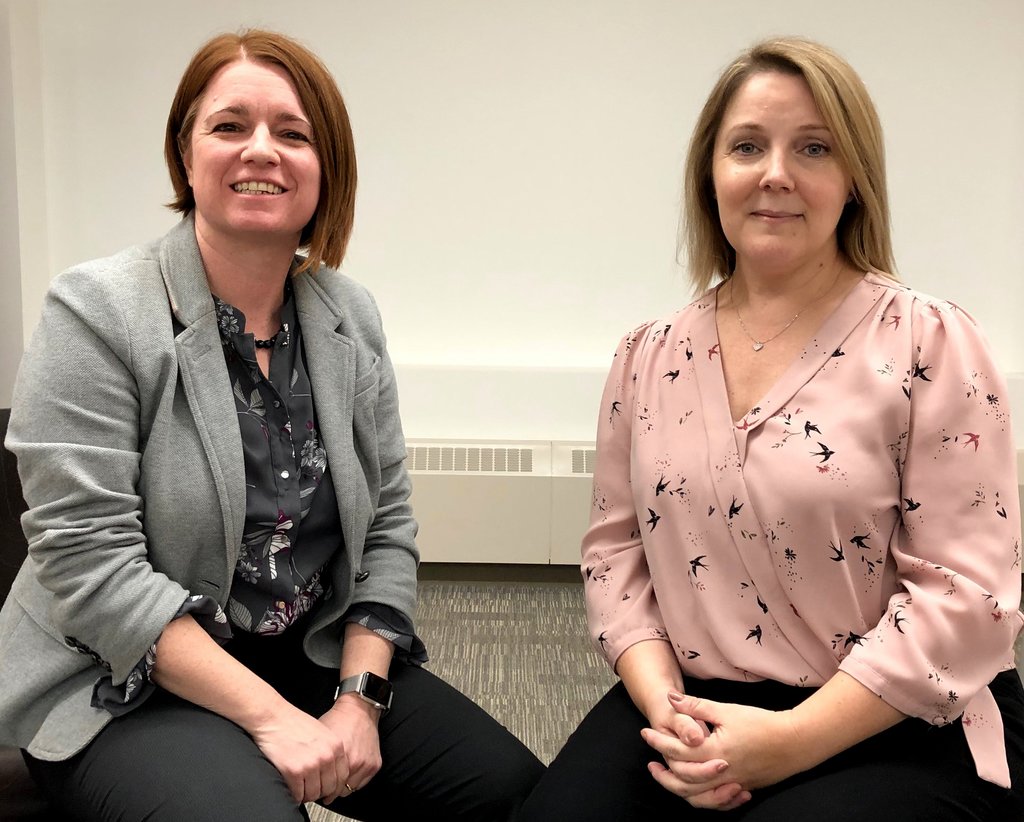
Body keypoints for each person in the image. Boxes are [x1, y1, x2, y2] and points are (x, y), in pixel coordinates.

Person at [0, 29, 543, 821]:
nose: (262, 151)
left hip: (303, 649)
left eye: (293, 133)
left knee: (519, 797)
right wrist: (274, 720)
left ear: (328, 172)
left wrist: (358, 699)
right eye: (229, 127)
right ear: (186, 157)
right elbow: (90, 568)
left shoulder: (348, 317)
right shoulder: (97, 310)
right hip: (125, 681)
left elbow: (387, 528)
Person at [520, 36, 1024, 820]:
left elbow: (966, 598)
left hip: (898, 711)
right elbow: (615, 556)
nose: (775, 174)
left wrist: (787, 742)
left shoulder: (930, 343)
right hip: (693, 701)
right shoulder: (648, 356)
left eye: (813, 148)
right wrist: (671, 715)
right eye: (747, 146)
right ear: (710, 174)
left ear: (853, 180)